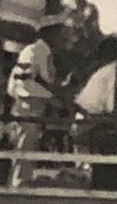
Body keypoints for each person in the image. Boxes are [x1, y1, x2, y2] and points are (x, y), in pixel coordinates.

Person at [5, 12, 70, 186]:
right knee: (25, 144)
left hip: (36, 104)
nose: (61, 37)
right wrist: (53, 97)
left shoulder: (43, 51)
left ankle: (22, 180)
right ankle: (18, 182)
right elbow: (26, 83)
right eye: (59, 32)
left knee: (30, 144)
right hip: (28, 103)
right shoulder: (35, 50)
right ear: (50, 32)